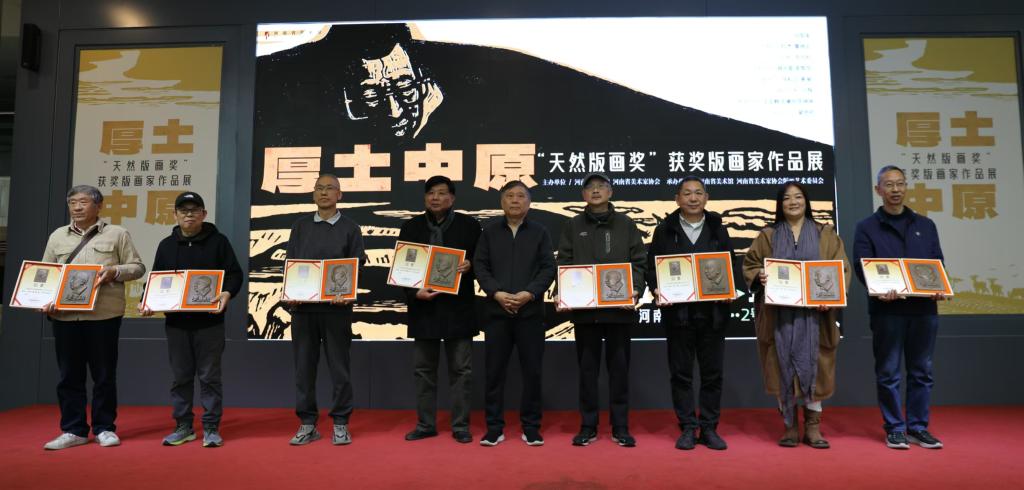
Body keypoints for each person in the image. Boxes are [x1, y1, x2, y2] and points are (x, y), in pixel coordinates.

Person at [742, 180, 850, 449]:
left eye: (798, 196)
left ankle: (813, 427)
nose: (793, 202)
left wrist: (830, 298)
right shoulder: (768, 236)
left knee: (817, 367)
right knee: (781, 368)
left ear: (806, 201)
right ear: (780, 204)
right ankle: (789, 426)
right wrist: (759, 275)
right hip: (778, 318)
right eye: (787, 198)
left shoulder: (826, 234)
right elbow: (750, 264)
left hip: (816, 318)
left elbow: (842, 269)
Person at [41, 185, 146, 450]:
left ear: (99, 206)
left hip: (103, 315)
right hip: (65, 317)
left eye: (83, 202)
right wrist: (43, 299)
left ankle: (104, 428)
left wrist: (114, 272)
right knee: (69, 376)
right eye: (72, 202)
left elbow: (137, 267)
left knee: (104, 375)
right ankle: (73, 430)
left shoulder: (117, 234)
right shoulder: (57, 236)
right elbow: (46, 273)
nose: (77, 207)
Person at [853, 165, 946, 450]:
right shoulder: (867, 227)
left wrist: (938, 286)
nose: (895, 189)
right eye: (889, 184)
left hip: (924, 311)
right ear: (878, 190)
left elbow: (937, 263)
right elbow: (862, 266)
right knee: (889, 373)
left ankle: (918, 427)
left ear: (906, 187)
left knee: (922, 372)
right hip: (887, 311)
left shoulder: (925, 225)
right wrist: (879, 289)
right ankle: (895, 428)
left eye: (900, 183)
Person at [140, 192, 243, 448]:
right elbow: (157, 279)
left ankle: (211, 427)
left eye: (194, 210)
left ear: (204, 214)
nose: (189, 215)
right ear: (175, 214)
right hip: (177, 324)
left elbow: (234, 274)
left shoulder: (219, 242)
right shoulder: (166, 245)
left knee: (210, 377)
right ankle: (183, 426)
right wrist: (147, 300)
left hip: (209, 323)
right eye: (183, 210)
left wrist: (227, 293)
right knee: (180, 378)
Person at [555, 173, 646, 447]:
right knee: (587, 371)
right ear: (583, 195)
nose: (595, 191)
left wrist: (635, 289)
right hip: (586, 312)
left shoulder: (626, 224)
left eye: (601, 187)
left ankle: (621, 427)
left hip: (619, 310)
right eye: (590, 187)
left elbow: (639, 262)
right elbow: (565, 262)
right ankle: (588, 426)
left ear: (610, 192)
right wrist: (563, 290)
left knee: (619, 370)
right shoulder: (573, 225)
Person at [645, 176, 735, 450]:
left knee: (712, 375)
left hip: (713, 316)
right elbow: (652, 267)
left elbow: (730, 266)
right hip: (678, 316)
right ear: (677, 198)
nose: (693, 198)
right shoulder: (664, 230)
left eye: (698, 193)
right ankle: (687, 427)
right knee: (681, 374)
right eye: (687, 193)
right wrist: (657, 288)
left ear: (706, 197)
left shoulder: (718, 228)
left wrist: (728, 288)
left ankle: (709, 428)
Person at [283, 174, 366, 445]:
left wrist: (347, 294)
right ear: (313, 194)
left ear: (339, 195)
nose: (324, 192)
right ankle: (307, 423)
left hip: (336, 310)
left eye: (330, 188)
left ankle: (341, 422)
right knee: (303, 370)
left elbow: (357, 265)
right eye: (319, 188)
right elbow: (291, 263)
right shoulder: (300, 226)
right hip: (303, 310)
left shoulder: (351, 227)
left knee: (339, 369)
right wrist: (291, 294)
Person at [473, 180, 556, 446]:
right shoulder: (489, 232)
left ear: (529, 202)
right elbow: (480, 266)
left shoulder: (540, 232)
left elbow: (548, 267)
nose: (515, 200)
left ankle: (531, 427)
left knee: (532, 372)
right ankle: (494, 427)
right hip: (496, 313)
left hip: (530, 313)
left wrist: (529, 293)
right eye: (510, 196)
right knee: (494, 373)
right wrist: (496, 293)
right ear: (502, 202)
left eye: (521, 196)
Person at [400, 175, 481, 444]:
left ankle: (461, 425)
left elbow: (484, 263)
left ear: (452, 198)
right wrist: (414, 293)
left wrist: (471, 266)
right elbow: (403, 270)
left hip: (459, 309)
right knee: (423, 371)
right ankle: (425, 424)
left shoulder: (470, 226)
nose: (435, 198)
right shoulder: (411, 227)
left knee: (461, 371)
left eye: (441, 193)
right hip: (424, 309)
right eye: (430, 193)